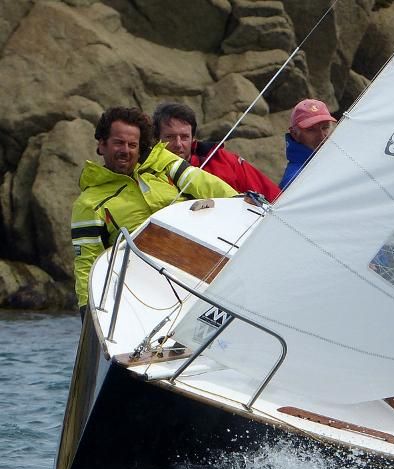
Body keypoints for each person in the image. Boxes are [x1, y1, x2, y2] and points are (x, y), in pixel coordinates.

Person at [71, 106, 238, 316]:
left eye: (133, 145)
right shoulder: (88, 203)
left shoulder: (165, 164)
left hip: (200, 270)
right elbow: (87, 263)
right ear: (102, 145)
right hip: (144, 294)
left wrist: (239, 200)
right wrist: (89, 312)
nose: (126, 150)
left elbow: (207, 185)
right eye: (118, 143)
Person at [153, 101, 281, 202]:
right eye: (170, 137)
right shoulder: (145, 173)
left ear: (193, 138)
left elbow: (274, 198)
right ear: (156, 138)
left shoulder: (222, 161)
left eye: (185, 137)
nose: (178, 144)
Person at [280, 98, 337, 190]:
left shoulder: (340, 158)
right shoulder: (295, 181)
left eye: (325, 127)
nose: (322, 136)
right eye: (311, 130)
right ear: (295, 134)